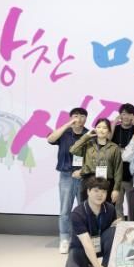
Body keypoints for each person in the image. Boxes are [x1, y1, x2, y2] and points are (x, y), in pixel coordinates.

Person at [47, 107, 89, 253]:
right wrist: (67, 125)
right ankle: (64, 238)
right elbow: (50, 139)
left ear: (86, 119)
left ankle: (82, 239)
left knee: (84, 209)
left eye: (82, 116)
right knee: (65, 209)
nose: (79, 119)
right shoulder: (64, 133)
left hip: (84, 176)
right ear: (71, 118)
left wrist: (83, 171)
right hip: (66, 176)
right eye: (76, 116)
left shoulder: (89, 134)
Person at [65, 177, 120, 267]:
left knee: (114, 230)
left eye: (103, 191)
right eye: (96, 191)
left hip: (99, 245)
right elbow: (86, 243)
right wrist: (97, 266)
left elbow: (110, 235)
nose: (100, 195)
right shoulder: (77, 213)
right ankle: (88, 264)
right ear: (88, 191)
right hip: (81, 248)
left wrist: (117, 225)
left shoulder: (110, 209)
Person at [70, 118, 123, 204]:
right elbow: (73, 150)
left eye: (104, 128)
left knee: (106, 209)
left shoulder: (114, 148)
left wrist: (116, 189)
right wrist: (86, 136)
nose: (101, 130)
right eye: (98, 127)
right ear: (95, 129)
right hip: (88, 182)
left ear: (109, 131)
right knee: (87, 209)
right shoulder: (88, 144)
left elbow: (118, 170)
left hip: (107, 183)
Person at [110, 103, 134, 219]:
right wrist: (113, 124)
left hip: (131, 175)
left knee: (133, 205)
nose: (126, 117)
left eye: (129, 114)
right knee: (117, 205)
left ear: (133, 116)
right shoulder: (115, 129)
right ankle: (119, 227)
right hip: (117, 174)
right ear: (120, 115)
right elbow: (107, 141)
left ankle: (133, 227)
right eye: (123, 114)